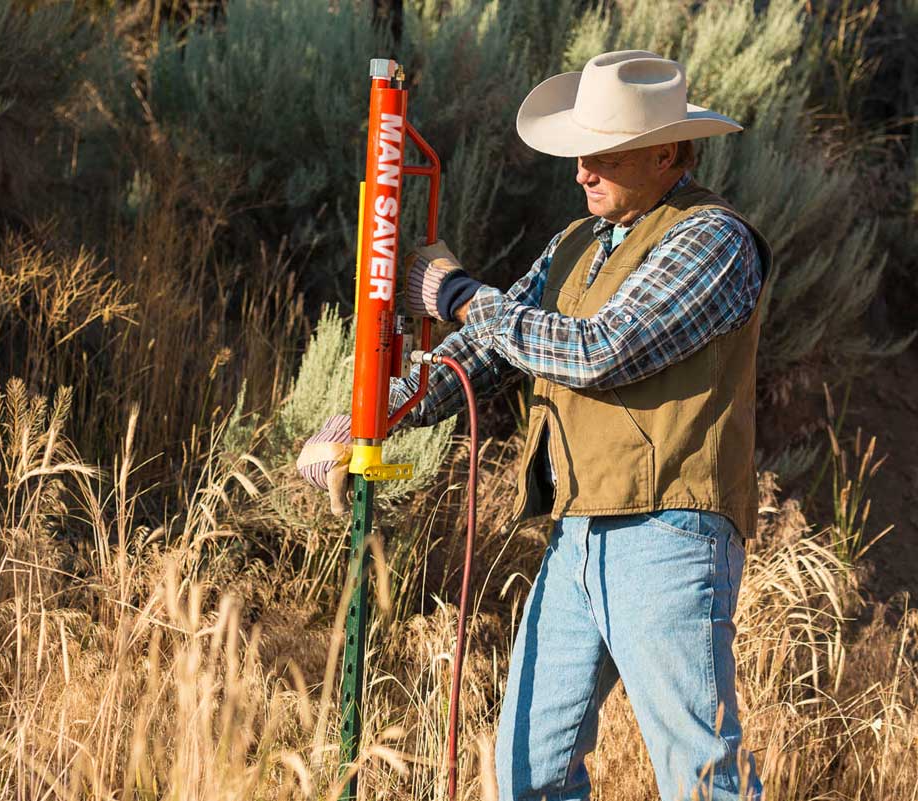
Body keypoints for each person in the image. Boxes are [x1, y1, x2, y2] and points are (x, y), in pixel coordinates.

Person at [298, 51, 772, 800]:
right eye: (580, 148)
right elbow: (486, 353)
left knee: (703, 776)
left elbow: (598, 351)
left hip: (670, 535)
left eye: (604, 150)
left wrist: (457, 291)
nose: (581, 169)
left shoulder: (711, 240)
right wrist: (371, 417)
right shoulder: (576, 245)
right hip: (576, 529)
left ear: (668, 152)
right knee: (530, 774)